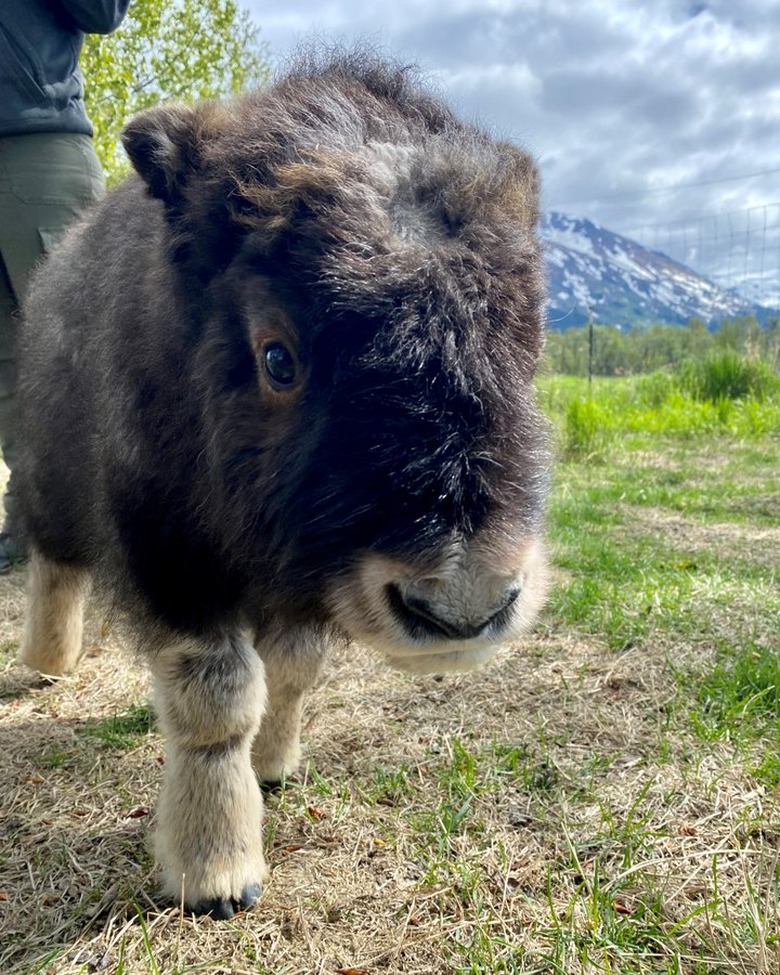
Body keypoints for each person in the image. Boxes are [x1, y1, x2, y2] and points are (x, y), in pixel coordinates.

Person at [0, 0, 130, 573]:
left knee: (77, 353)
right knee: (7, 366)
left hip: (39, 144)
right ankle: (31, 526)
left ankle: (111, 526)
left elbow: (102, 10)